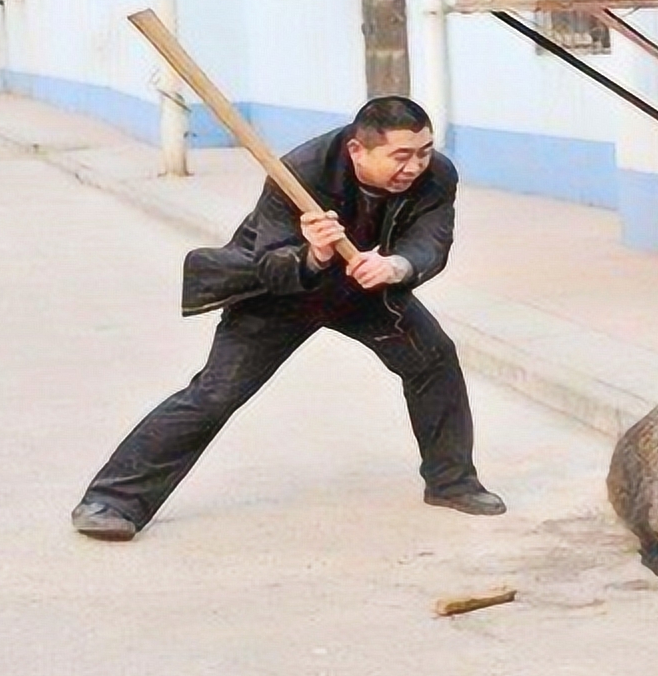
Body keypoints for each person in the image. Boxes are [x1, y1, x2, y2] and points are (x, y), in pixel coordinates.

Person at [71, 96, 505, 541]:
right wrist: (314, 254)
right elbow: (270, 263)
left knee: (433, 359)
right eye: (401, 156)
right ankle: (113, 500)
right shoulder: (300, 171)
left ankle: (452, 482)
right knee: (216, 394)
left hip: (364, 288)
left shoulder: (437, 175)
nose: (414, 166)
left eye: (423, 151)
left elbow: (432, 240)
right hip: (282, 292)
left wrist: (397, 266)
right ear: (358, 150)